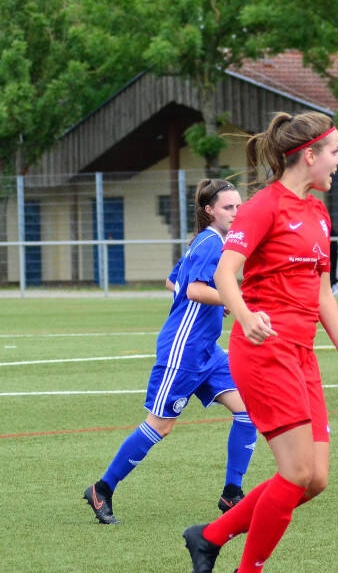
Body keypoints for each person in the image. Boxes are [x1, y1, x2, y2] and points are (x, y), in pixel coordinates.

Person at [182, 111, 338, 573]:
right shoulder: (263, 207)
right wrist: (246, 315)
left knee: (314, 480)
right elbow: (226, 273)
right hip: (264, 352)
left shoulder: (318, 213)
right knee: (294, 472)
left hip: (302, 355)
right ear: (309, 155)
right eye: (335, 151)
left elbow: (322, 293)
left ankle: (210, 536)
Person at [83, 179, 257, 524]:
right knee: (160, 426)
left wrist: (217, 301)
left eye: (239, 206)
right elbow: (193, 290)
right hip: (184, 349)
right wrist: (228, 300)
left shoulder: (206, 241)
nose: (236, 213)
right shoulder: (211, 243)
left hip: (207, 350)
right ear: (209, 210)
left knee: (248, 410)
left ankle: (231, 493)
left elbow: (172, 280)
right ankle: (101, 489)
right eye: (228, 207)